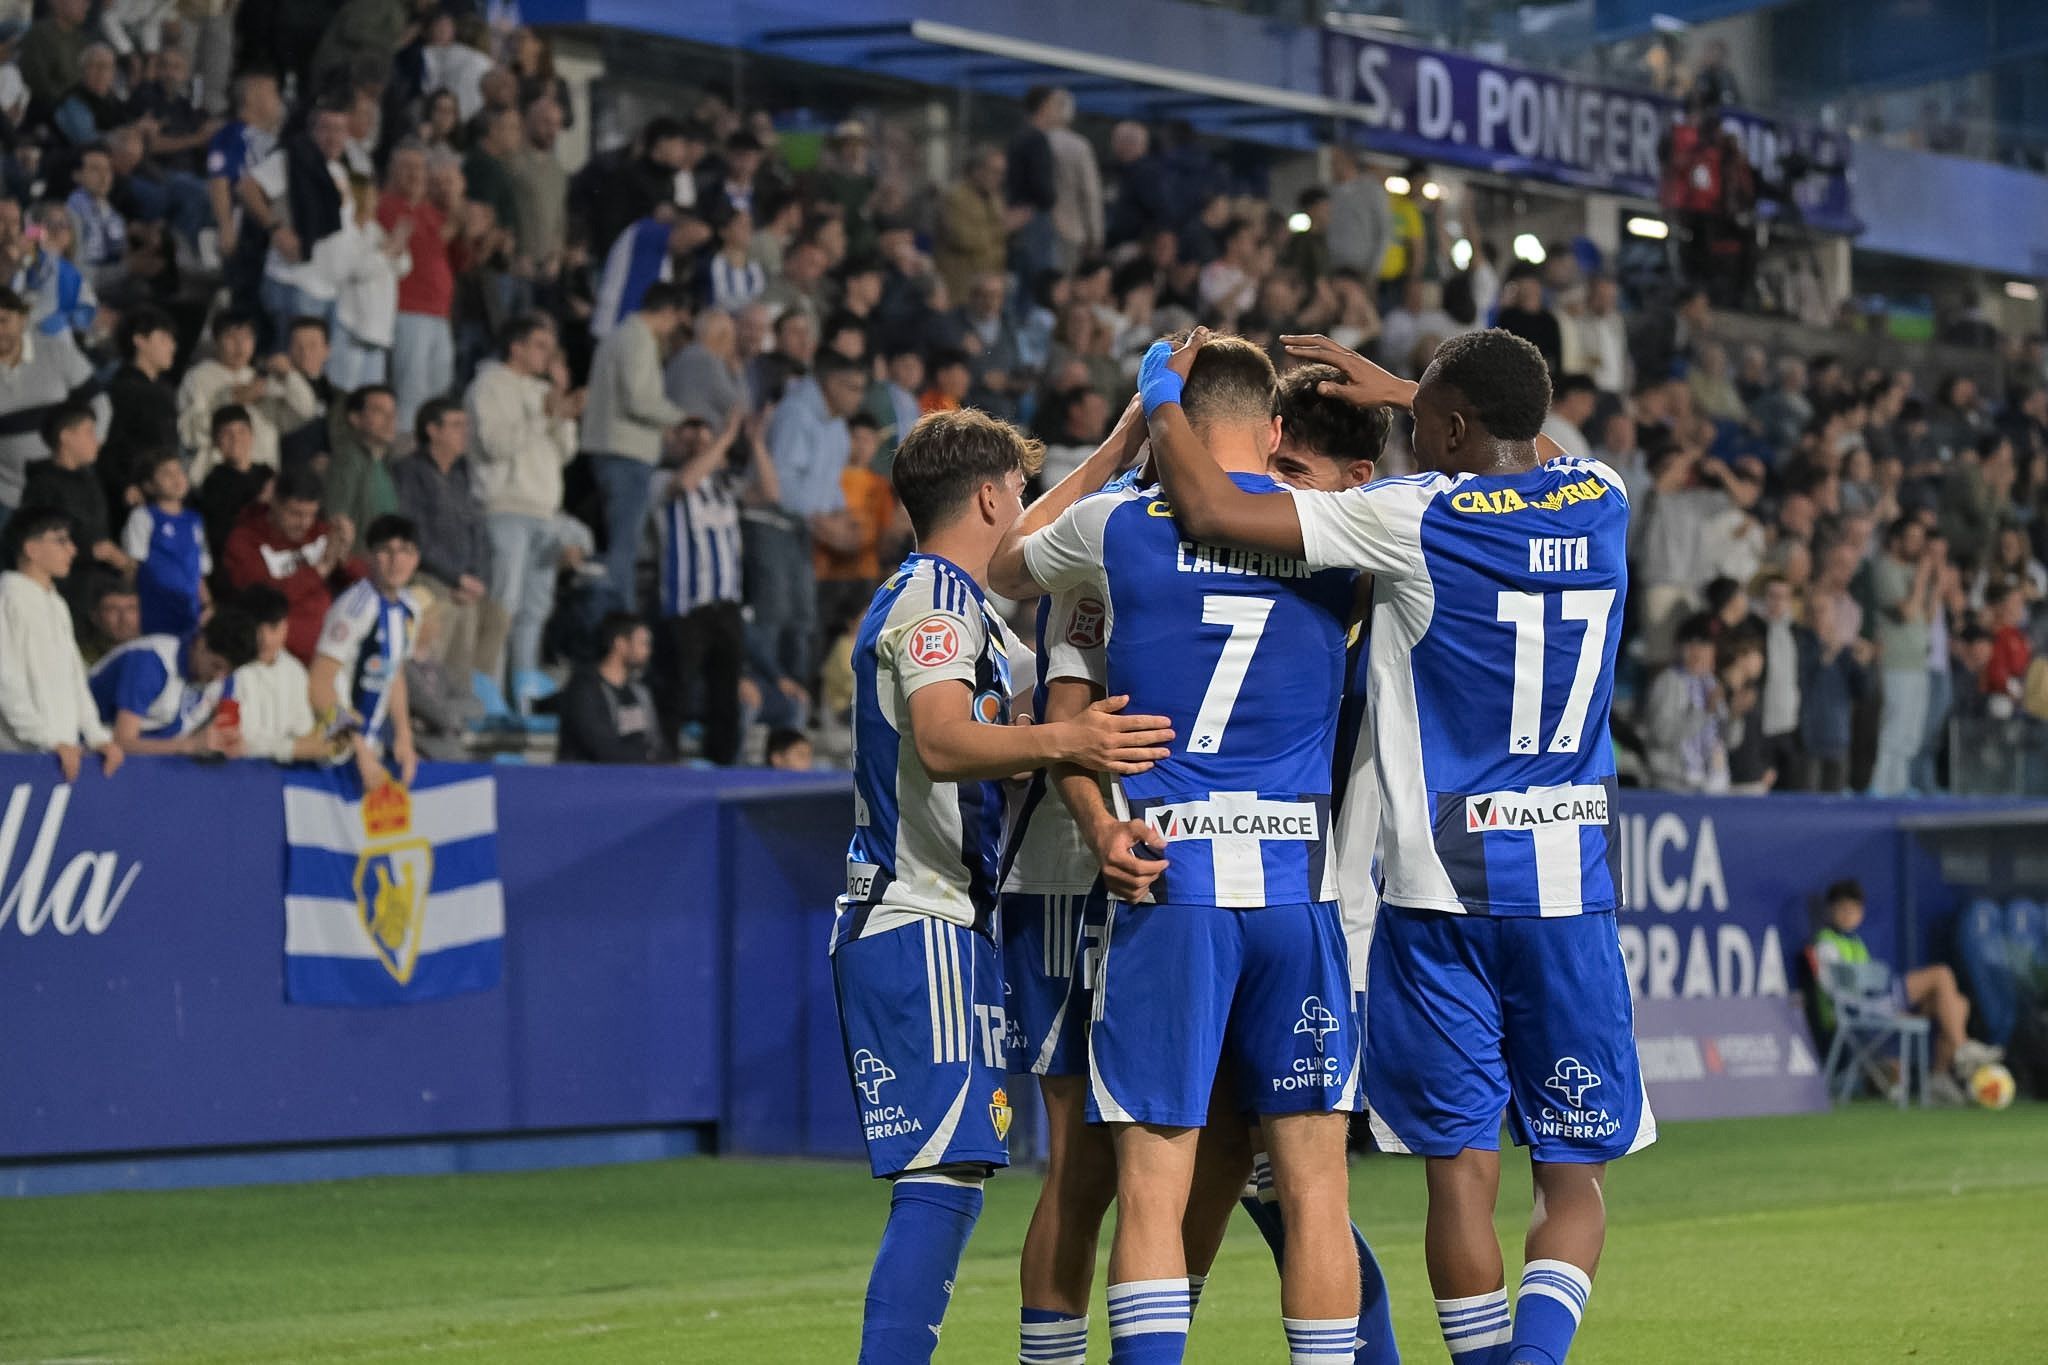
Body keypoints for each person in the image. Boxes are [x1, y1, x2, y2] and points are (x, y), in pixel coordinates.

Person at [1125, 326, 1651, 1365]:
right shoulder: (1603, 496)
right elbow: (1527, 441)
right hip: (1568, 887)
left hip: (1435, 895)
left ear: (1451, 430)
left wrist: (1157, 393)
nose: (1412, 438)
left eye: (1421, 426)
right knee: (1572, 1178)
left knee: (1458, 1173)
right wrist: (1419, 388)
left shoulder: (1412, 518)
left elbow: (1216, 509)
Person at [991, 337, 1364, 1365]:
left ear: (1171, 430)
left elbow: (1000, 560)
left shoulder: (1115, 527)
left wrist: (1124, 437)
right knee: (1315, 1189)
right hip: (1296, 888)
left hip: (1170, 879)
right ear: (1277, 429)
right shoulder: (1338, 529)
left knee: (1149, 1185)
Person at [831, 406, 1170, 1365]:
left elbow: (998, 693)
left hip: (943, 920)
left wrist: (1117, 450)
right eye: (1018, 491)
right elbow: (942, 738)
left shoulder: (957, 601)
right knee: (943, 1176)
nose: (1026, 509)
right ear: (988, 495)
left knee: (958, 1170)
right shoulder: (937, 604)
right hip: (916, 914)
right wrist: (1069, 737)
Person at [467, 313, 580, 699]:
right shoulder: (489, 384)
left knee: (534, 611)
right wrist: (544, 416)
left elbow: (566, 452)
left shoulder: (540, 391)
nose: (548, 356)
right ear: (515, 347)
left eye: (551, 348)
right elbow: (495, 445)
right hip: (505, 507)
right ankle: (487, 691)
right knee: (502, 606)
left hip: (543, 510)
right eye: (540, 346)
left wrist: (560, 409)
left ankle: (523, 697)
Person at [1807, 879, 2002, 1103]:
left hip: (1876, 1004)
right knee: (1941, 974)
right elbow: (1839, 996)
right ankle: (1962, 1051)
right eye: (1843, 909)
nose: (1848, 915)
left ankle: (1940, 1074)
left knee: (1958, 1004)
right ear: (1831, 910)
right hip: (1862, 1011)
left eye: (1854, 910)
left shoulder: (1856, 943)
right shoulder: (1826, 944)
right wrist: (1884, 1013)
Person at [654, 411, 757, 767]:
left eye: (706, 438)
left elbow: (773, 493)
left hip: (726, 605)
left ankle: (723, 763)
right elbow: (685, 483)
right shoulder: (663, 479)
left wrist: (756, 442)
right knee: (676, 688)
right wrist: (725, 438)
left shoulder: (726, 489)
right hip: (687, 605)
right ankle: (666, 760)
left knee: (725, 694)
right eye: (691, 438)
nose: (701, 445)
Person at [390, 397, 503, 718]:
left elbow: (479, 530)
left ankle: (459, 722)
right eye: (456, 425)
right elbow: (415, 533)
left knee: (462, 663)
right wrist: (455, 578)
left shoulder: (461, 474)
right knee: (432, 655)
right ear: (432, 430)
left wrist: (477, 578)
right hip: (431, 579)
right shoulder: (410, 472)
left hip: (466, 586)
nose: (465, 433)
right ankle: (425, 721)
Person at [582, 280, 690, 615]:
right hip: (625, 455)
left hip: (617, 451)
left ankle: (616, 619)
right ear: (669, 313)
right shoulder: (637, 338)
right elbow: (640, 399)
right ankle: (619, 620)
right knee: (623, 547)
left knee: (621, 544)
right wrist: (681, 418)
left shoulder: (620, 335)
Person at [0, 509, 123, 777]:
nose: (73, 550)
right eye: (61, 540)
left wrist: (96, 735)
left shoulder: (57, 603)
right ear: (31, 548)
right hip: (17, 756)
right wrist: (45, 739)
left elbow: (74, 676)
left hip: (63, 752)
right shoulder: (7, 597)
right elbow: (4, 678)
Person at [310, 513, 421, 788]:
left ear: (416, 558)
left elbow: (394, 673)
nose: (396, 561)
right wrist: (356, 748)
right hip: (338, 749)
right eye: (386, 550)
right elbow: (318, 685)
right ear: (370, 557)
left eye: (405, 551)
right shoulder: (355, 607)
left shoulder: (410, 608)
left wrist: (404, 736)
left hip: (372, 747)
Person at [222, 465, 358, 662]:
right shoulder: (244, 541)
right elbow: (261, 599)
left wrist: (344, 554)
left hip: (329, 651)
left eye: (311, 514)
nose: (304, 523)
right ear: (275, 503)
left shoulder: (318, 531)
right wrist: (319, 570)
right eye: (296, 513)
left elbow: (359, 582)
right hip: (274, 659)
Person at [89, 606, 255, 756]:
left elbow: (221, 735)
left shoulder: (224, 678)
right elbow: (122, 742)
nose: (220, 678)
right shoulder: (151, 663)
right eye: (216, 666)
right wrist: (188, 746)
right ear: (201, 643)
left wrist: (230, 744)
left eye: (229, 671)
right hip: (89, 751)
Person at [17, 402, 125, 613]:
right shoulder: (42, 485)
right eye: (89, 432)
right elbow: (33, 538)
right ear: (66, 436)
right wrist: (90, 551)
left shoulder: (90, 477)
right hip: (68, 589)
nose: (97, 441)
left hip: (100, 581)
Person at [231, 583, 324, 763]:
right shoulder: (232, 671)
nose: (265, 639)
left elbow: (303, 731)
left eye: (273, 628)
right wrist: (292, 749)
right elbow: (240, 742)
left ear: (285, 627)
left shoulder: (295, 671)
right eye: (257, 629)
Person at [121, 449, 210, 640]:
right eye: (166, 474)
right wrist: (131, 609)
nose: (176, 478)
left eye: (179, 471)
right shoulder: (143, 517)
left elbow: (199, 572)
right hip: (155, 614)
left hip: (189, 613)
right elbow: (131, 567)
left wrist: (207, 605)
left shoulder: (194, 520)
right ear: (149, 486)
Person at [557, 611, 661, 764]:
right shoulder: (583, 689)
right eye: (643, 643)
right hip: (592, 780)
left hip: (637, 778)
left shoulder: (639, 692)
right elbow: (601, 747)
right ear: (620, 644)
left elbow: (657, 743)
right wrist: (647, 759)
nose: (648, 651)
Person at [1642, 612, 1729, 792]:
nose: (1697, 651)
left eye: (1704, 645)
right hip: (1674, 785)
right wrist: (1704, 712)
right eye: (1690, 644)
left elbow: (1729, 740)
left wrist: (1735, 715)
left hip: (1711, 784)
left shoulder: (1713, 684)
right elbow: (1661, 735)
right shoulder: (1668, 682)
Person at [1541, 374, 1598, 463]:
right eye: (1588, 402)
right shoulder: (1552, 427)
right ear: (1572, 397)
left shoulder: (1565, 428)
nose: (1590, 411)